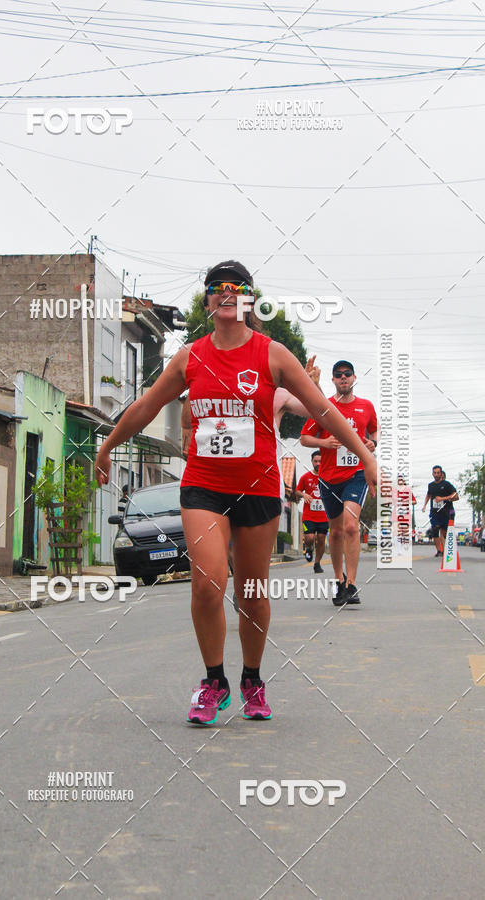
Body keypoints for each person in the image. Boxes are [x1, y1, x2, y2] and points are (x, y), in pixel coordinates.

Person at [94, 261, 377, 726]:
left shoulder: (273, 355)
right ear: (207, 301)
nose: (227, 293)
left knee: (252, 591)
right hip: (204, 486)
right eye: (217, 288)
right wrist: (107, 446)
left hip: (259, 489)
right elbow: (147, 405)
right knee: (208, 584)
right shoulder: (190, 357)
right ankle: (213, 681)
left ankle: (251, 678)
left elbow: (323, 410)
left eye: (238, 287)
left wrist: (364, 457)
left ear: (249, 299)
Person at [181, 355, 324, 611]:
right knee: (225, 544)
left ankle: (247, 588)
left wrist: (313, 385)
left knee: (252, 557)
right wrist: (186, 436)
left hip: (260, 483)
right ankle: (240, 582)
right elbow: (188, 409)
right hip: (217, 480)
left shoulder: (278, 394)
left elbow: (318, 409)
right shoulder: (215, 385)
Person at [300, 360, 378, 606]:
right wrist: (325, 443)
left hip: (355, 475)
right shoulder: (325, 407)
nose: (343, 378)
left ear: (354, 378)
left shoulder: (366, 407)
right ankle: (338, 581)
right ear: (332, 380)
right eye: (338, 375)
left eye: (347, 374)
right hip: (328, 478)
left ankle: (352, 584)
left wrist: (372, 444)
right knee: (335, 532)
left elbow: (374, 433)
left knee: (351, 526)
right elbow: (304, 438)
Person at [295, 450, 329, 573]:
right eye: (316, 461)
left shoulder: (328, 477)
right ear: (312, 461)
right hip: (309, 515)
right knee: (309, 537)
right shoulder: (306, 477)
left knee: (321, 538)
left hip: (324, 516)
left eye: (320, 461)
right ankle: (309, 548)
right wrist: (304, 495)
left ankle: (317, 563)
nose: (318, 463)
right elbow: (297, 491)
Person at [421, 466, 459, 557]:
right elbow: (428, 495)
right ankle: (439, 550)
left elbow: (456, 497)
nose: (436, 474)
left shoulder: (447, 484)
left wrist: (442, 498)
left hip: (445, 512)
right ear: (432, 474)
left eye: (438, 473)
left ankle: (447, 551)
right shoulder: (431, 485)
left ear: (441, 473)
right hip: (434, 512)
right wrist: (424, 505)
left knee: (445, 532)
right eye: (435, 473)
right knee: (435, 529)